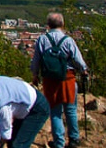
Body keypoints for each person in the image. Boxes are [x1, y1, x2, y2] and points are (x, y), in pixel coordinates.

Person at [31, 13, 89, 148]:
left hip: (50, 80)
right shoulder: (68, 40)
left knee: (55, 111)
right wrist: (84, 70)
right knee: (70, 109)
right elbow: (77, 59)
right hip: (67, 78)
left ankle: (59, 142)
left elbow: (36, 61)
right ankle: (74, 139)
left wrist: (35, 75)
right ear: (62, 24)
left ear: (48, 25)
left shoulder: (42, 40)